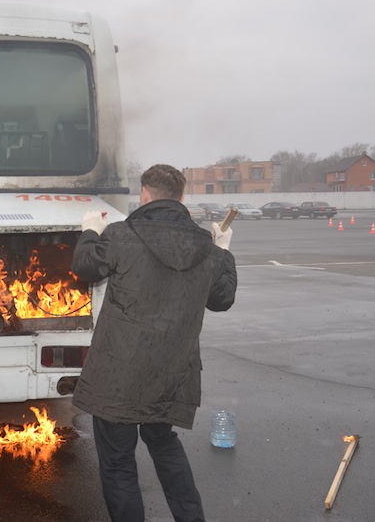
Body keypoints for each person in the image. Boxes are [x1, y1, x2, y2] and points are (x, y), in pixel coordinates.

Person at [71, 163, 237, 522]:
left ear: (145, 194)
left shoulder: (119, 235)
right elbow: (222, 299)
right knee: (163, 444)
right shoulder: (205, 249)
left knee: (118, 463)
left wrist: (89, 230)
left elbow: (85, 266)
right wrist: (223, 251)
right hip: (171, 375)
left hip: (118, 375)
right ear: (181, 197)